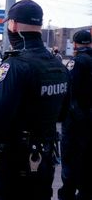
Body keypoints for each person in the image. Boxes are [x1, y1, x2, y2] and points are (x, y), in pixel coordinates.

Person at [0, 0, 70, 200]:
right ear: (39, 26)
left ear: (13, 25)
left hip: (14, 166)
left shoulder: (15, 65)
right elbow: (62, 112)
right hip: (43, 161)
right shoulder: (57, 64)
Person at [58, 30, 92, 200]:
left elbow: (67, 90)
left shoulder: (76, 62)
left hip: (76, 122)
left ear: (76, 44)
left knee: (71, 164)